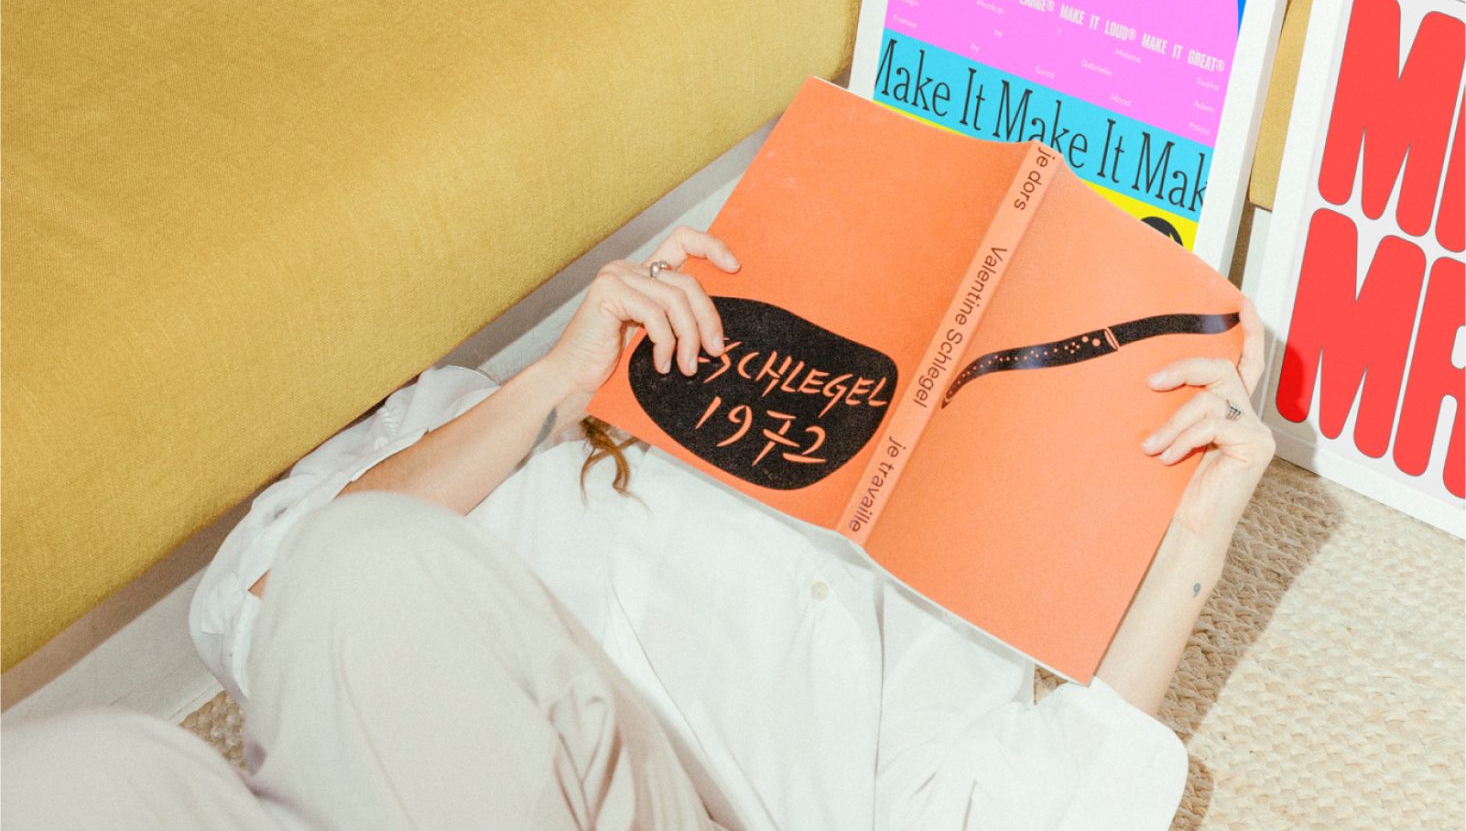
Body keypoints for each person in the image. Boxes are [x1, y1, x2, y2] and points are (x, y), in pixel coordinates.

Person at [2, 227, 1275, 829]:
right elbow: (249, 603)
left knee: (370, 563)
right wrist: (550, 389)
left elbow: (1023, 815)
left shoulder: (907, 574)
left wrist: (1191, 547)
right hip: (327, 798)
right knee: (64, 776)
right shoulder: (492, 413)